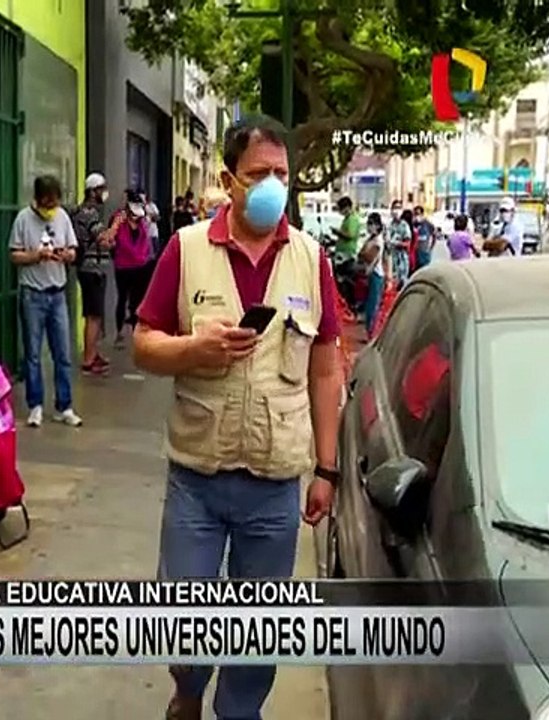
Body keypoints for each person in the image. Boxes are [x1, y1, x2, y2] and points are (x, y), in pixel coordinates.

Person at [133, 116, 340, 720]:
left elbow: (325, 369)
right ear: (229, 179)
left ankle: (238, 713)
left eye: (282, 173)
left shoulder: (310, 258)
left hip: (275, 485)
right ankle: (189, 686)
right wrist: (191, 351)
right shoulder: (187, 248)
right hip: (197, 476)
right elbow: (144, 342)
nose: (274, 185)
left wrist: (326, 469)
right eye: (259, 174)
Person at [10, 175, 82, 428]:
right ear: (37, 199)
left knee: (63, 353)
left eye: (54, 203)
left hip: (57, 291)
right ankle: (35, 405)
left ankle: (65, 405)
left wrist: (67, 255)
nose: (50, 208)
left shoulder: (61, 217)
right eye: (46, 203)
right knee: (33, 353)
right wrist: (35, 256)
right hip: (33, 293)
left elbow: (73, 249)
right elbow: (14, 256)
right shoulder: (23, 219)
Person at [72, 172, 114, 375]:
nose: (103, 193)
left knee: (94, 314)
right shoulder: (89, 214)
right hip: (92, 269)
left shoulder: (82, 212)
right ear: (92, 191)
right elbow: (103, 239)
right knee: (94, 315)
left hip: (88, 268)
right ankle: (89, 358)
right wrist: (113, 232)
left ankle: (93, 352)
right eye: (101, 189)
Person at [112, 189, 156, 348]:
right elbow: (111, 237)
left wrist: (145, 259)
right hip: (123, 266)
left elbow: (146, 240)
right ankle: (119, 333)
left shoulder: (143, 220)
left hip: (140, 266)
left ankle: (136, 333)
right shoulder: (119, 218)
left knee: (137, 301)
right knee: (122, 298)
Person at [359, 212, 388, 337]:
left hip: (376, 275)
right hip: (371, 274)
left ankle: (372, 334)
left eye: (371, 224)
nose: (369, 227)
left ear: (377, 225)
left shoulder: (378, 241)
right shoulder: (371, 239)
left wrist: (364, 254)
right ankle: (369, 332)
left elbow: (369, 257)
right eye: (368, 224)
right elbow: (361, 254)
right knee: (369, 305)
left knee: (372, 306)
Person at [387, 200, 412, 286]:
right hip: (390, 260)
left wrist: (397, 243)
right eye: (394, 208)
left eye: (398, 208)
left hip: (401, 260)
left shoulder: (404, 225)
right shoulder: (389, 225)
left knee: (401, 285)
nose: (396, 211)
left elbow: (408, 244)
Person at [411, 205, 435, 269]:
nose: (416, 216)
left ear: (422, 214)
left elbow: (434, 234)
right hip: (415, 254)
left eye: (418, 214)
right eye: (415, 214)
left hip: (424, 253)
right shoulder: (412, 224)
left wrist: (430, 248)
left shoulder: (427, 224)